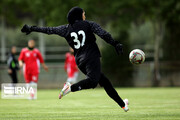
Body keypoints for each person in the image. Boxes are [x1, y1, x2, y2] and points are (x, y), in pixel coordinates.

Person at [21, 7, 129, 112]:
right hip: (91, 56)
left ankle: (123, 104)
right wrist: (115, 44)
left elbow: (49, 30)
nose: (85, 16)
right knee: (92, 82)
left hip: (80, 61)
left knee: (104, 81)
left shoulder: (66, 28)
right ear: (79, 15)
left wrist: (32, 28)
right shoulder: (89, 24)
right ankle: (70, 88)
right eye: (83, 14)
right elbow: (103, 34)